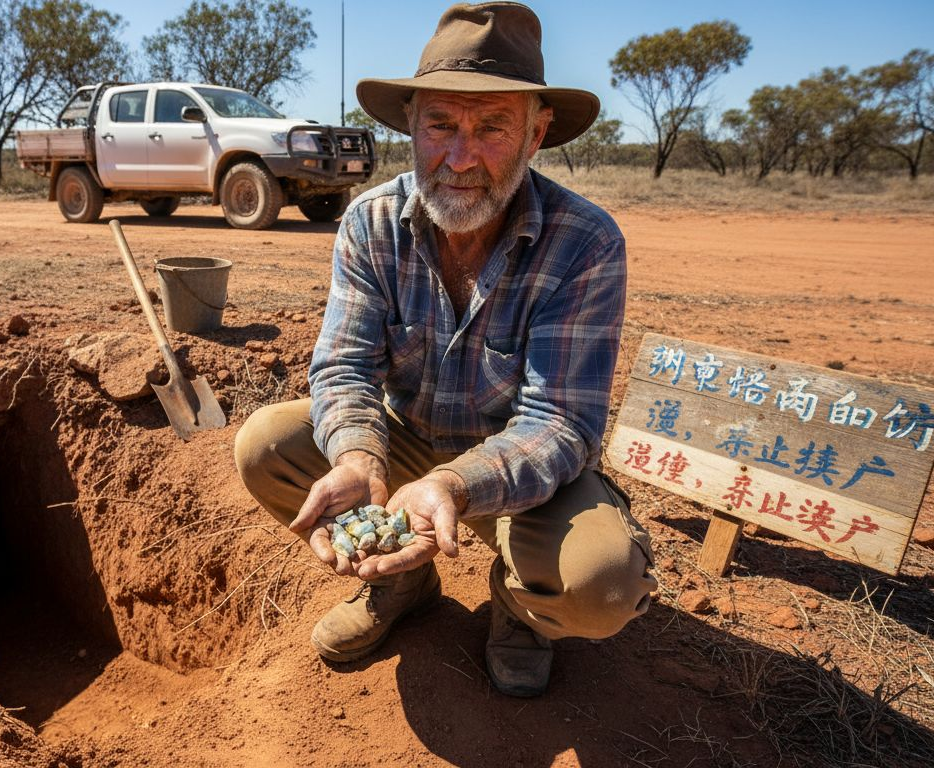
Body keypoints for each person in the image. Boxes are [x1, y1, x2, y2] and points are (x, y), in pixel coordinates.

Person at [234, 1, 656, 698]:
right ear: (410, 125)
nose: (460, 158)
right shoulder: (370, 222)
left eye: (491, 127)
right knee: (265, 446)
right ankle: (403, 586)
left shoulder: (585, 242)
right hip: (405, 444)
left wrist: (455, 484)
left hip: (519, 478)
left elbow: (559, 423)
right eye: (440, 125)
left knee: (601, 581)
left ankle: (521, 611)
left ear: (536, 134)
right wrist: (360, 459)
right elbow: (344, 368)